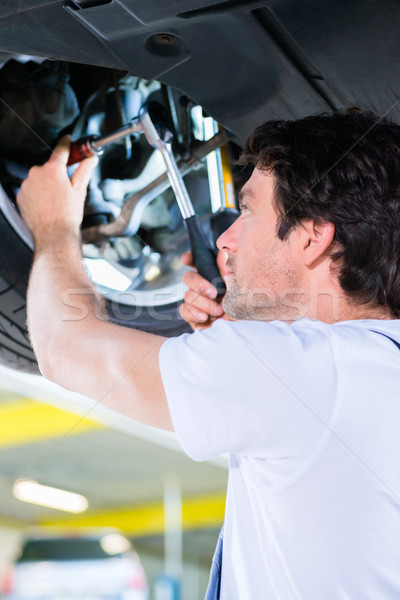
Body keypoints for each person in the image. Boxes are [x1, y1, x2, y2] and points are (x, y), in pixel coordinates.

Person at [17, 110, 400, 599]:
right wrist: (240, 341)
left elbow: (62, 347)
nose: (225, 239)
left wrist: (53, 227)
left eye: (248, 211)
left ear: (312, 236)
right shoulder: (367, 369)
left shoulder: (304, 373)